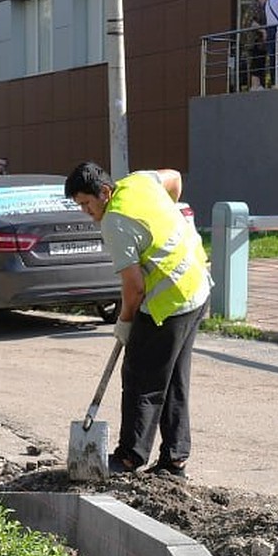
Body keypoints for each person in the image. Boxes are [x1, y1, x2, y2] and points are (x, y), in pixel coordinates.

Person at [64, 161, 210, 478]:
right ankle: (174, 459)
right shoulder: (139, 182)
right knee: (172, 378)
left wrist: (125, 322)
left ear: (104, 192)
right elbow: (174, 178)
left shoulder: (114, 222)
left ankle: (130, 456)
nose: (85, 211)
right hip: (196, 285)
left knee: (141, 378)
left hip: (170, 301)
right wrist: (165, 218)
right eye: (80, 206)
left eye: (86, 203)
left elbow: (134, 287)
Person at [246, 0, 269, 89]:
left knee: (260, 62)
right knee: (256, 62)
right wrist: (263, 30)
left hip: (260, 43)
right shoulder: (255, 5)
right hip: (255, 41)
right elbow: (251, 22)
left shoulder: (262, 7)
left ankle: (259, 84)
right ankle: (255, 85)